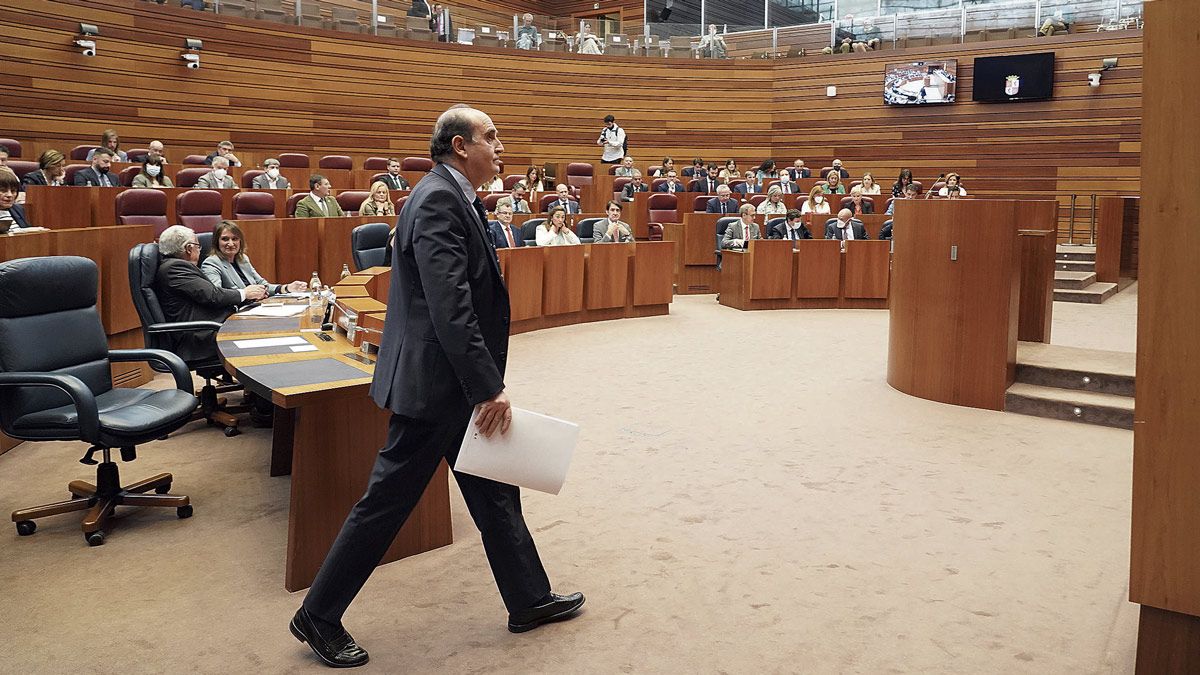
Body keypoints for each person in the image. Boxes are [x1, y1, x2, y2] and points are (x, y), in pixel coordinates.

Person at [291, 106, 584, 669]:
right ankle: (318, 615)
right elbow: (451, 308)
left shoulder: (451, 195)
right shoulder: (437, 200)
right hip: (436, 385)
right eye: (491, 137)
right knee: (387, 503)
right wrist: (486, 387)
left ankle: (527, 598)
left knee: (493, 487)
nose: (501, 147)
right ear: (458, 146)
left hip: (448, 381)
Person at [154, 225, 267, 363]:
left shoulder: (174, 266)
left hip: (208, 328)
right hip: (199, 337)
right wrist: (244, 293)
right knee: (262, 334)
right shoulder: (175, 268)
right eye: (198, 246)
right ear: (189, 248)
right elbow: (213, 295)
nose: (199, 250)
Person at [201, 221, 308, 296]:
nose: (231, 243)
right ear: (216, 242)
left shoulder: (243, 259)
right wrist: (246, 294)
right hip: (234, 313)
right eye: (225, 239)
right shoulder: (212, 263)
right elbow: (217, 294)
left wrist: (286, 288)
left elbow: (261, 283)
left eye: (235, 239)